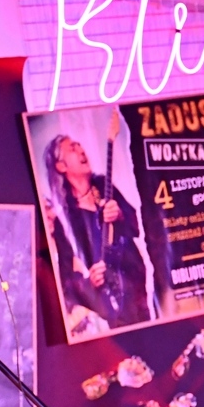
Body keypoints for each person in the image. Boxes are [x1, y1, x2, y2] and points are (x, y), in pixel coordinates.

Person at [43, 133, 150, 330]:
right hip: (111, 297)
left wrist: (120, 215)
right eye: (72, 148)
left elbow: (136, 226)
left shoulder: (103, 186)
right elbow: (66, 276)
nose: (81, 150)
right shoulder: (66, 216)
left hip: (136, 283)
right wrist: (89, 282)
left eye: (79, 145)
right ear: (61, 166)